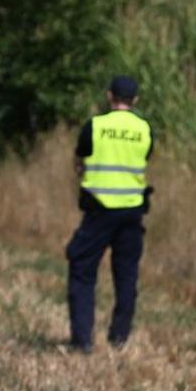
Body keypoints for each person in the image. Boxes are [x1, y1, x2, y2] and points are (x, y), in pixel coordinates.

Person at [66, 76, 154, 352]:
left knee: (82, 269)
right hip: (131, 211)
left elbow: (80, 158)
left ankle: (82, 340)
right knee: (126, 274)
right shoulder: (144, 129)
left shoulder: (96, 126)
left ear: (109, 96)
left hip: (99, 210)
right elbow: (145, 158)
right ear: (135, 100)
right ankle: (119, 337)